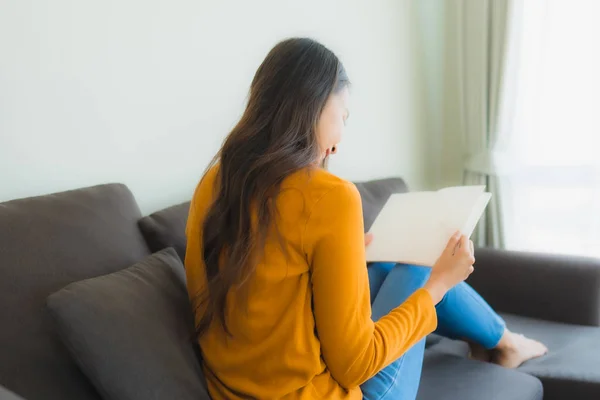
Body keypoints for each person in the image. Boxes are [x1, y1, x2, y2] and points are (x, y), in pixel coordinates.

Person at [184, 38, 547, 400]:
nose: (339, 141)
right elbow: (355, 365)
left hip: (231, 391)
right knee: (419, 266)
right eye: (342, 116)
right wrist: (438, 285)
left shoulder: (214, 183)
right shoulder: (331, 196)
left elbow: (265, 282)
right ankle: (506, 342)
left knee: (383, 263)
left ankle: (501, 341)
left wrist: (339, 258)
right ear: (312, 106)